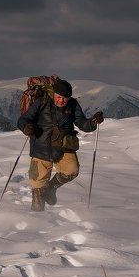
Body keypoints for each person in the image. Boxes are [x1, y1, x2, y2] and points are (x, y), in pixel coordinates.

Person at [17, 79, 104, 211]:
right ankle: (36, 220)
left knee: (72, 170)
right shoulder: (42, 102)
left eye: (66, 98)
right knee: (37, 187)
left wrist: (93, 122)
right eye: (59, 97)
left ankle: (51, 187)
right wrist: (26, 127)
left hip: (63, 147)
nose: (62, 101)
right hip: (41, 147)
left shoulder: (73, 105)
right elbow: (23, 119)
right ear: (53, 94)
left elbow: (82, 123)